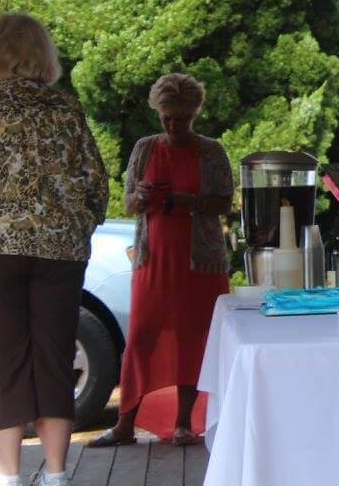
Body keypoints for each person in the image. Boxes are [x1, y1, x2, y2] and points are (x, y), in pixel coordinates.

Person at [0, 13, 109, 486]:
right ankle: (57, 474)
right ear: (45, 55)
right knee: (55, 357)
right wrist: (80, 223)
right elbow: (95, 183)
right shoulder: (65, 109)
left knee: (4, 360)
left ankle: (8, 475)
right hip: (60, 253)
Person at [88, 74, 232, 448]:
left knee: (192, 336)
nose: (173, 125)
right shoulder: (145, 148)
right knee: (141, 336)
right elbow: (129, 203)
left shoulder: (211, 151)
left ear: (194, 113)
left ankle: (185, 422)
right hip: (154, 256)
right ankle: (125, 423)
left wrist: (187, 201)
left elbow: (224, 202)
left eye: (181, 118)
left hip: (199, 261)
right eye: (167, 117)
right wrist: (140, 193)